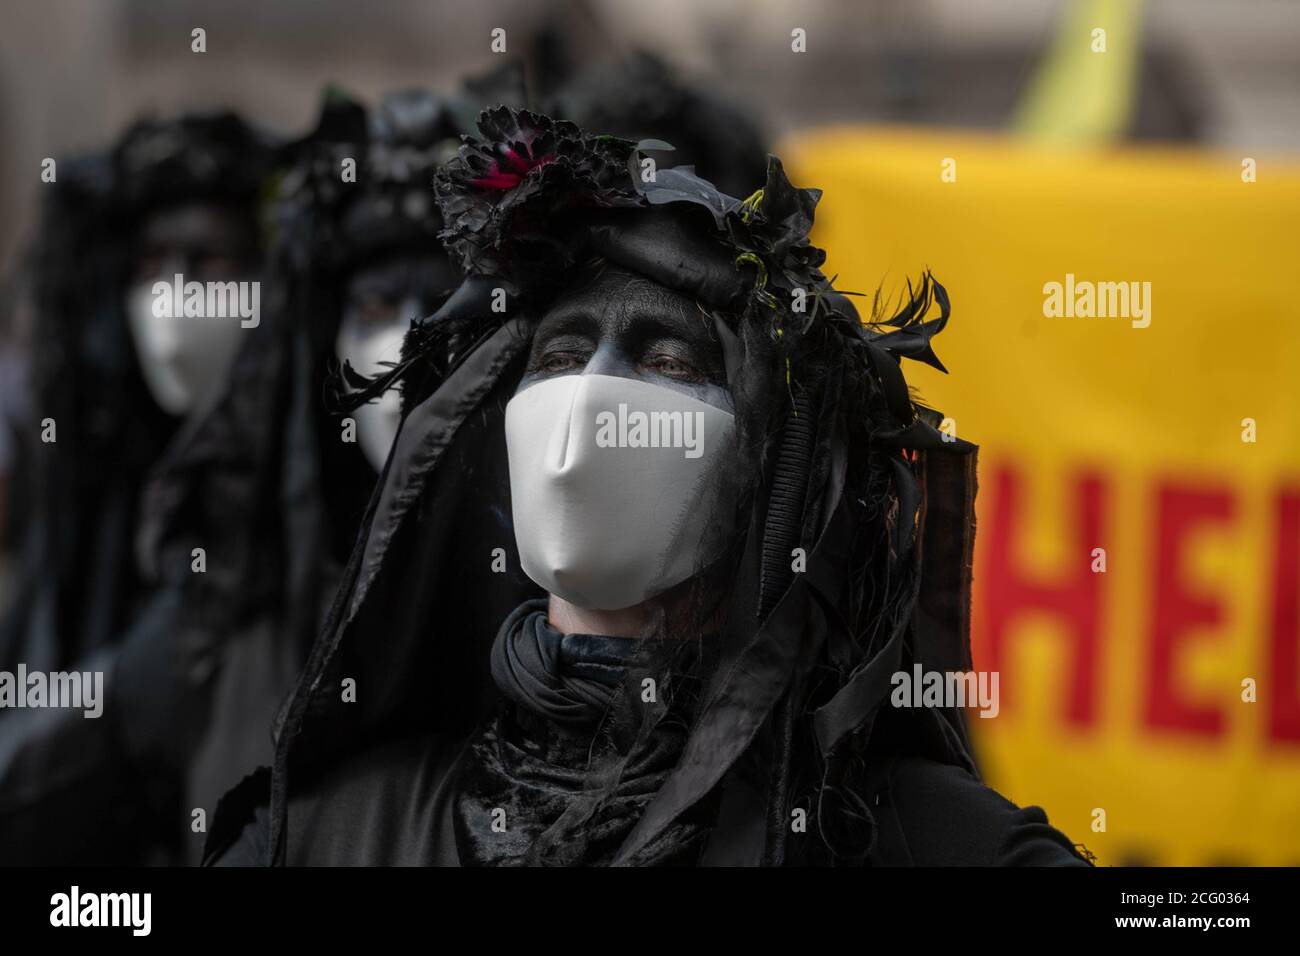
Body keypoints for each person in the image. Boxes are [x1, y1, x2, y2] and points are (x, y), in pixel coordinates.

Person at [206, 107, 1091, 867]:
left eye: (668, 360)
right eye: (558, 355)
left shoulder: (903, 839)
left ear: (769, 465)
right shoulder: (339, 830)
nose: (591, 395)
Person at [0, 112, 275, 863]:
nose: (177, 295)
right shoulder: (94, 471)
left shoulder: (295, 495)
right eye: (154, 263)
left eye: (209, 262)